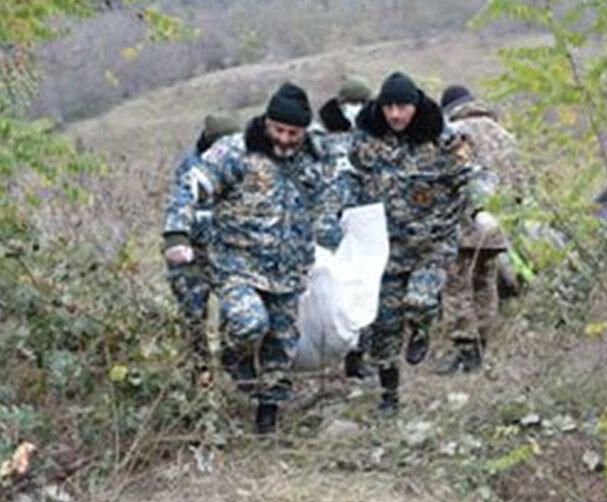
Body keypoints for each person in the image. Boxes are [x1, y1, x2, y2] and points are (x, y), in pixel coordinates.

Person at [163, 82, 347, 434]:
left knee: (282, 346)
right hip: (237, 264)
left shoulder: (315, 158)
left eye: (293, 132)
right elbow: (193, 182)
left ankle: (268, 421)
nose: (284, 138)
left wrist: (332, 235)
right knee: (249, 323)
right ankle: (235, 358)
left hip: (289, 270)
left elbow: (333, 192)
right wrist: (177, 233)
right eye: (278, 129)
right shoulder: (236, 151)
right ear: (266, 122)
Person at [347, 71, 477, 412]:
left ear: (415, 106)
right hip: (385, 247)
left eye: (402, 107)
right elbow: (348, 177)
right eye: (388, 107)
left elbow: (474, 177)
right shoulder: (366, 140)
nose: (395, 115)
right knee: (384, 326)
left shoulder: (443, 139)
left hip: (431, 245)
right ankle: (389, 395)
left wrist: (478, 207)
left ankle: (422, 328)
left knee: (419, 301)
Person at [438, 85, 526, 373]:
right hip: (497, 225)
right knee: (485, 283)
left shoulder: (456, 133)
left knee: (457, 284)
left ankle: (465, 349)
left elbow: (448, 179)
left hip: (464, 222)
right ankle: (483, 343)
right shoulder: (505, 136)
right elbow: (520, 186)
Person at [163, 114, 239, 379]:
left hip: (229, 254)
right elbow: (179, 205)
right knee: (194, 318)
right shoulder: (191, 167)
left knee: (237, 313)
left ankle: (235, 369)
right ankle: (201, 373)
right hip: (192, 255)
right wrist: (178, 239)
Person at [315, 76, 377, 379]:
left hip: (360, 221)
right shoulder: (316, 136)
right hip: (322, 225)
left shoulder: (373, 135)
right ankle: (322, 350)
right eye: (350, 104)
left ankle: (357, 356)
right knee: (328, 291)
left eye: (361, 104)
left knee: (362, 287)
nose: (355, 109)